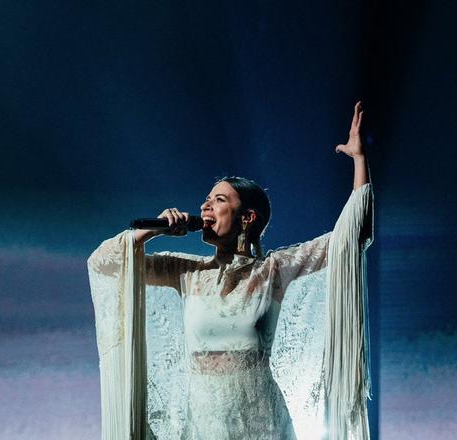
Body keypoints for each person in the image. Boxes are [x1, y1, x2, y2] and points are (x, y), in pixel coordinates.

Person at [87, 102, 373, 440]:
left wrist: (359, 159)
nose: (205, 205)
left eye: (219, 200)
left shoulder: (272, 271)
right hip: (203, 426)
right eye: (206, 199)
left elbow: (354, 235)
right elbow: (105, 265)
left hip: (261, 424)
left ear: (247, 218)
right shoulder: (187, 272)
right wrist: (155, 230)